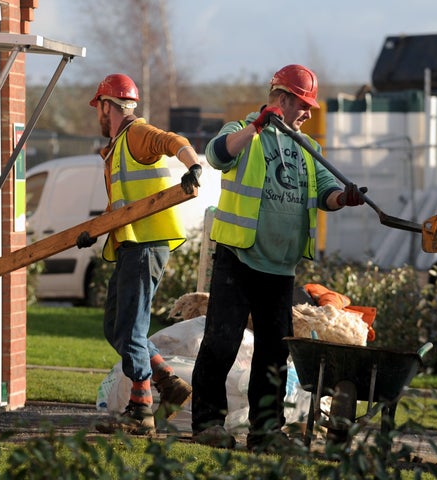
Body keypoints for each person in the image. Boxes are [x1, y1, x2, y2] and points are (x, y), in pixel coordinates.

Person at [190, 64, 367, 451]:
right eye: (303, 104)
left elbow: (326, 193)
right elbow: (216, 156)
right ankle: (207, 424)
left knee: (274, 352)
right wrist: (256, 127)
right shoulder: (243, 131)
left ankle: (265, 431)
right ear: (282, 99)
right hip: (238, 257)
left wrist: (345, 198)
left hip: (280, 265)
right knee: (222, 342)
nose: (308, 113)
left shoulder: (308, 148)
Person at [77, 73, 203, 435]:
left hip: (147, 245)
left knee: (131, 329)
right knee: (116, 325)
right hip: (133, 244)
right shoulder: (118, 148)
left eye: (99, 109)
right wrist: (94, 231)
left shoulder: (135, 134)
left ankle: (141, 410)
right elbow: (122, 207)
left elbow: (174, 140)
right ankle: (167, 380)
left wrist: (192, 166)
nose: (98, 117)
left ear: (107, 105)